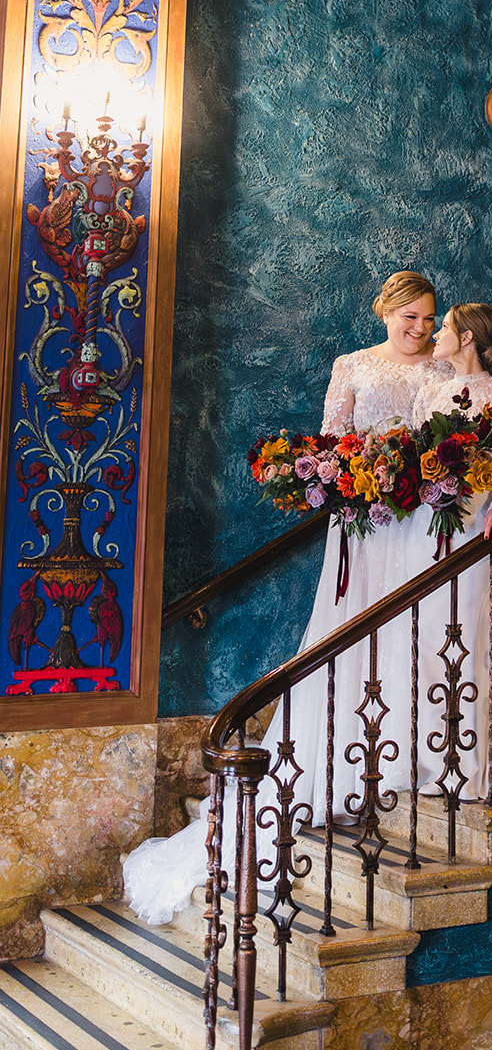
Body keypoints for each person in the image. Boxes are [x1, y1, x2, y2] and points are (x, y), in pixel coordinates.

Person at [124, 270, 450, 924]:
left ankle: (410, 745)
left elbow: (447, 442)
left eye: (427, 318)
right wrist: (351, 472)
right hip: (363, 525)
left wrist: (424, 469)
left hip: (418, 524)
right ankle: (346, 751)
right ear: (385, 311)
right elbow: (331, 440)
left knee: (414, 626)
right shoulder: (352, 364)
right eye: (408, 317)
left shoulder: (444, 371)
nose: (418, 329)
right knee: (352, 630)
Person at [377, 303, 492, 803]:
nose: (433, 333)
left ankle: (478, 764)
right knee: (425, 637)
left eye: (442, 327)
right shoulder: (430, 390)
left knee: (474, 635)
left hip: (476, 531)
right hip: (428, 528)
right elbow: (418, 458)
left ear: (465, 338)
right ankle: (431, 758)